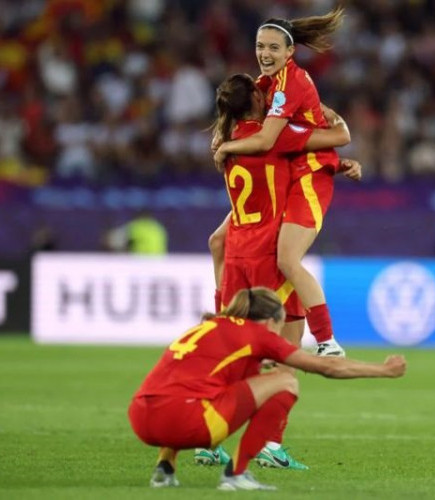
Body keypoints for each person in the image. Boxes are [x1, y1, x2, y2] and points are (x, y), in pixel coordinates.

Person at [195, 72, 357, 470]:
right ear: (255, 96)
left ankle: (207, 438)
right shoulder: (273, 138)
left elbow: (229, 224)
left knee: (235, 356)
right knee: (284, 358)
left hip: (239, 254)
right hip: (270, 255)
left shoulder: (230, 143)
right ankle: (270, 444)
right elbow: (312, 156)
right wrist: (336, 154)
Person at [128, 287, 407, 491]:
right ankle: (236, 474)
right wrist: (384, 370)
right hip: (186, 423)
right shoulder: (258, 334)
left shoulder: (208, 327)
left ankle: (165, 468)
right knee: (286, 381)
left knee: (184, 389)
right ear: (270, 320)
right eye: (280, 325)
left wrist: (253, 368)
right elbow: (326, 366)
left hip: (141, 420)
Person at [212, 7, 349, 357]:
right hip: (290, 167)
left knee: (287, 259)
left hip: (310, 174)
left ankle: (327, 341)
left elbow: (268, 140)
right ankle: (227, 326)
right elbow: (239, 101)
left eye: (273, 48)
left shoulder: (289, 84)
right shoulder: (267, 82)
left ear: (290, 52)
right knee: (220, 241)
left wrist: (226, 145)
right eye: (260, 46)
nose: (265, 54)